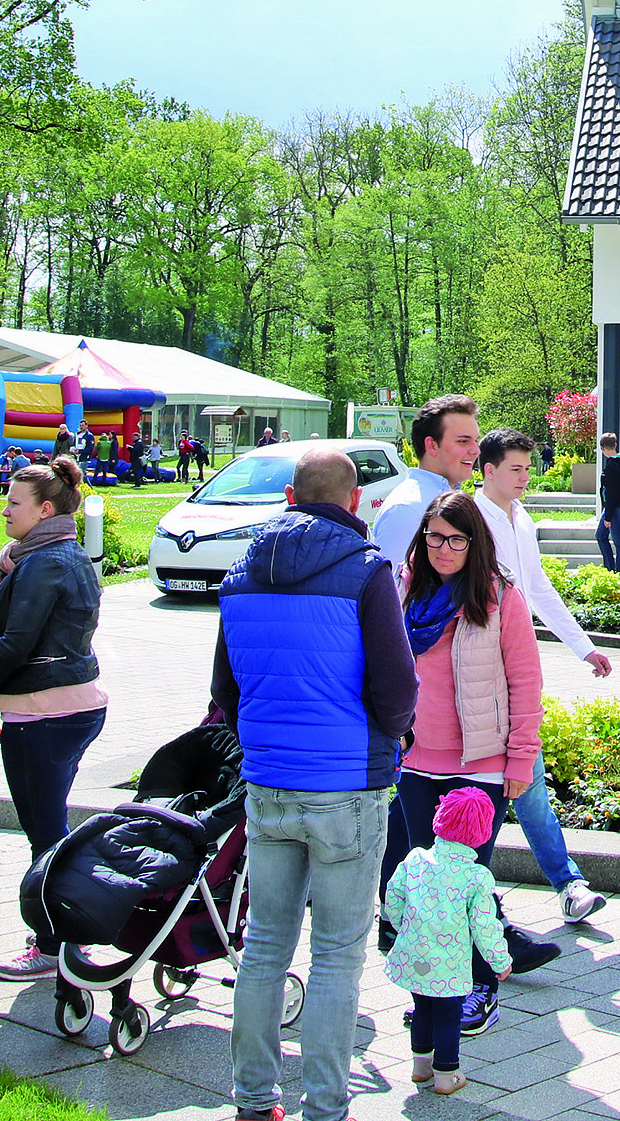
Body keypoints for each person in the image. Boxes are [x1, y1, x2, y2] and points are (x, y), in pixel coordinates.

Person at [210, 445, 416, 1121]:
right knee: (335, 954)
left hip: (268, 783)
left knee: (264, 945)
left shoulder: (240, 573)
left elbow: (225, 692)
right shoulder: (366, 572)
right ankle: (325, 1107)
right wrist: (391, 737)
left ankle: (252, 1098)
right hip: (348, 788)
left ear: (291, 498)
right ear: (355, 502)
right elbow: (396, 687)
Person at [384, 489, 549, 1037]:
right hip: (415, 762)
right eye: (434, 537)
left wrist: (520, 760)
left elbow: (526, 683)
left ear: (475, 541)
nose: (444, 548)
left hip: (479, 765)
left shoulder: (500, 597)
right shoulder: (404, 590)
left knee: (464, 884)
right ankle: (432, 986)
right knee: (426, 883)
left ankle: (480, 986)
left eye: (456, 539)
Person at [0, 455, 109, 984]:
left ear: (45, 510)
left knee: (46, 833)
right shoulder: (60, 554)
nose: (4, 511)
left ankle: (57, 945)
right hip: (70, 705)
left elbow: (17, 644)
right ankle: (64, 932)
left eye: (13, 503)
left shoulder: (43, 563)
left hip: (43, 713)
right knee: (50, 827)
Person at [474, 428, 611, 925]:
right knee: (504, 787)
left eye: (528, 468)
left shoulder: (521, 518)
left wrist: (584, 647)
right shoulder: (468, 519)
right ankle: (497, 896)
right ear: (486, 470)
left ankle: (564, 886)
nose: (525, 477)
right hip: (477, 677)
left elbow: (539, 589)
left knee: (524, 780)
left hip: (519, 671)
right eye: (516, 469)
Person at [386, 787, 515, 1098]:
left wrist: (403, 924)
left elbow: (393, 897)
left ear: (439, 819)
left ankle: (421, 1066)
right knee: (448, 1015)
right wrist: (501, 961)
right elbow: (485, 926)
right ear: (483, 833)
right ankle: (447, 1074)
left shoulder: (416, 859)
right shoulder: (476, 877)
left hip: (415, 956)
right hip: (450, 965)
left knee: (421, 1008)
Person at [372, 393, 481, 570]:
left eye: (475, 441)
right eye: (463, 441)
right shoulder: (406, 509)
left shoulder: (445, 499)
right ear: (432, 445)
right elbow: (395, 591)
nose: (476, 450)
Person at [595, 432, 620, 575]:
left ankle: (619, 571)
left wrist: (608, 517)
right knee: (601, 535)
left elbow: (612, 493)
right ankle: (610, 568)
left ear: (602, 448)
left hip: (614, 507)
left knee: (618, 540)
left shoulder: (611, 466)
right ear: (615, 445)